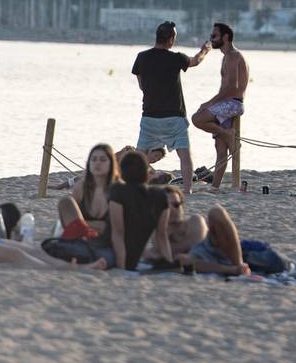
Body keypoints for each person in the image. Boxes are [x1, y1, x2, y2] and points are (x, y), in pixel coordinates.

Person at [132, 21, 210, 195]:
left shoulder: (141, 57)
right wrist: (205, 50)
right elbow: (196, 61)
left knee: (140, 156)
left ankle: (133, 187)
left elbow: (142, 86)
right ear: (171, 39)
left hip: (150, 115)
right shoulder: (177, 58)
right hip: (174, 116)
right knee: (184, 155)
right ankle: (188, 190)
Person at [192, 22, 250, 187]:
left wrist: (208, 103)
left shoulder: (233, 56)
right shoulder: (227, 57)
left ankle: (227, 134)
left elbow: (232, 87)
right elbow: (225, 87)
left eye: (214, 36)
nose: (211, 39)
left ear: (225, 37)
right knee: (220, 149)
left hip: (233, 103)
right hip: (226, 103)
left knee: (197, 119)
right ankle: (216, 186)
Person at [105, 149, 176, 269]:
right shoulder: (160, 195)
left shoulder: (118, 190)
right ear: (146, 172)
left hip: (112, 254)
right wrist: (169, 263)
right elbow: (161, 235)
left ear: (121, 171)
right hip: (135, 257)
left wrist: (122, 268)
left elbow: (118, 233)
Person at [57, 143, 119, 239]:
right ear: (88, 163)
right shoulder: (80, 187)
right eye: (93, 159)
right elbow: (69, 222)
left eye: (103, 160)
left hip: (109, 241)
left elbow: (116, 227)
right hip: (83, 238)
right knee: (66, 202)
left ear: (111, 163)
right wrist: (98, 225)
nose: (97, 163)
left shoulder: (118, 188)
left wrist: (82, 223)